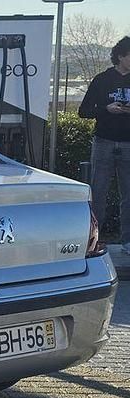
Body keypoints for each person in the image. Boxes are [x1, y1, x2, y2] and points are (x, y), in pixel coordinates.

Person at [79, 36, 130, 253]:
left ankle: (127, 241)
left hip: (129, 143)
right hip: (104, 142)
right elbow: (83, 111)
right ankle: (94, 240)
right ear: (121, 56)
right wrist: (106, 109)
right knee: (97, 192)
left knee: (128, 194)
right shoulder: (102, 80)